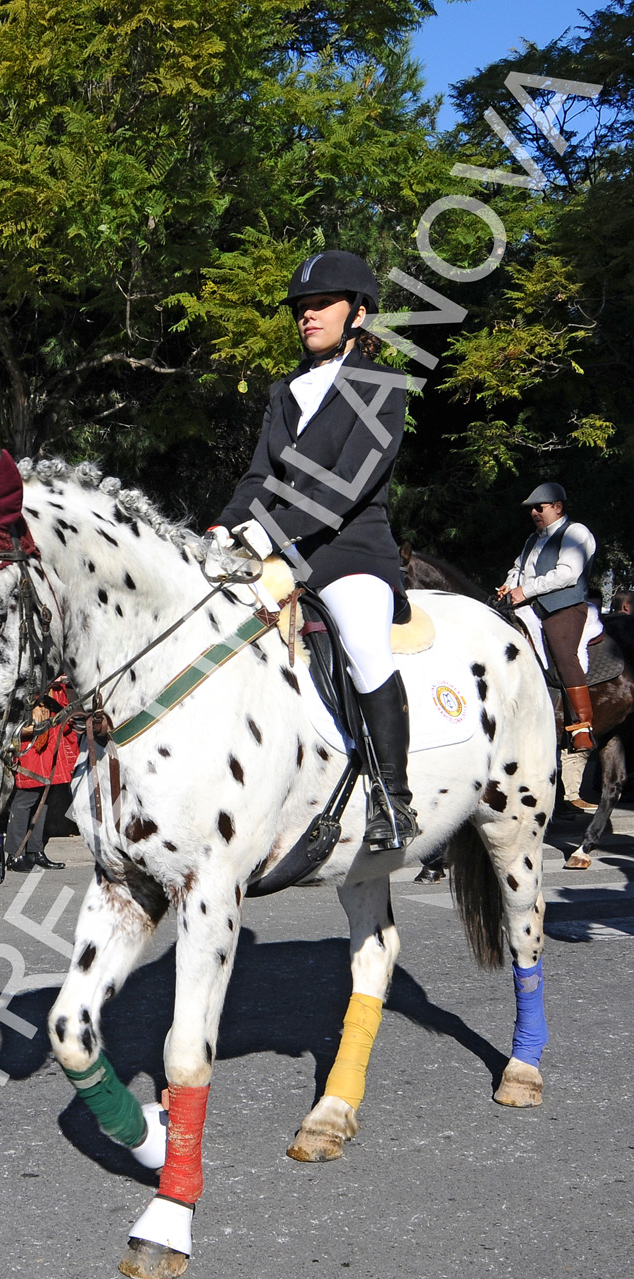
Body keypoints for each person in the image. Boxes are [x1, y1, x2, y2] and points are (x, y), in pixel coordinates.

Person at [207, 249, 417, 847]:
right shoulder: (285, 392)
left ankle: (392, 796)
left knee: (362, 642)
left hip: (352, 550)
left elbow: (348, 485)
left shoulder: (381, 385)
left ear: (358, 313)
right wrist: (224, 529)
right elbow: (258, 480)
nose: (307, 315)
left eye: (321, 304)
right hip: (284, 555)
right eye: (301, 307)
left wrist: (268, 532)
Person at [496, 482, 597, 750]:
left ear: (557, 507)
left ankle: (581, 727)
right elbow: (518, 568)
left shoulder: (576, 532)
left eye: (539, 508)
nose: (534, 513)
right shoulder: (533, 538)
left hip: (564, 607)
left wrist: (525, 591)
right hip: (529, 605)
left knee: (564, 655)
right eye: (531, 509)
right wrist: (509, 584)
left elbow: (568, 573)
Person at [6, 679, 79, 870]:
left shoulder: (52, 695)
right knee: (26, 798)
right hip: (31, 746)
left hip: (48, 741)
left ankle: (35, 850)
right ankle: (16, 854)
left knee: (43, 799)